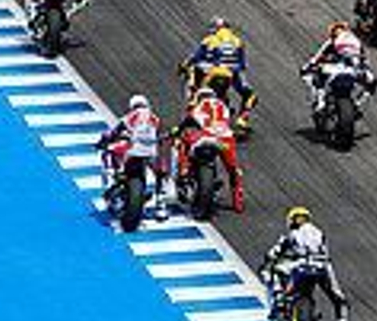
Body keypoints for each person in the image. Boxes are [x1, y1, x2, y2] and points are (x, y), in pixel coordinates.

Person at [262, 207, 354, 321]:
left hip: (300, 266)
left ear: (291, 221)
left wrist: (267, 264)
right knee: (338, 298)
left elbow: (272, 254)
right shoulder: (319, 233)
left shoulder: (290, 235)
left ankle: (280, 299)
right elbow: (324, 253)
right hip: (322, 268)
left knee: (274, 270)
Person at [180, 17, 258, 132]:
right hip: (232, 73)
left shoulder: (209, 39)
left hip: (214, 72)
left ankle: (191, 110)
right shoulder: (238, 41)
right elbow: (242, 65)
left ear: (215, 29)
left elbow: (195, 57)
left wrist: (183, 66)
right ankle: (242, 120)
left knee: (194, 76)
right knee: (250, 96)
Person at [177, 84, 244, 212]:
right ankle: (238, 202)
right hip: (225, 139)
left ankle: (184, 170)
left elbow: (188, 121)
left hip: (206, 135)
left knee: (182, 141)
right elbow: (229, 118)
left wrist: (178, 130)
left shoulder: (197, 106)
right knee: (233, 170)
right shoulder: (223, 106)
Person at [96, 94, 166, 205]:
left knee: (108, 151)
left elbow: (113, 132)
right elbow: (161, 137)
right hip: (151, 153)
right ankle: (160, 202)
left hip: (132, 150)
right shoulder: (155, 118)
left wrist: (102, 142)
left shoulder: (130, 116)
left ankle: (112, 178)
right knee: (161, 172)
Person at [299, 21, 377, 116]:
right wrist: (364, 70)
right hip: (354, 69)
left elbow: (317, 57)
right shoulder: (356, 41)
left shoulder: (332, 41)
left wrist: (307, 67)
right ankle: (358, 103)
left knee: (316, 78)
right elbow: (364, 60)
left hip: (340, 69)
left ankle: (321, 103)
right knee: (372, 82)